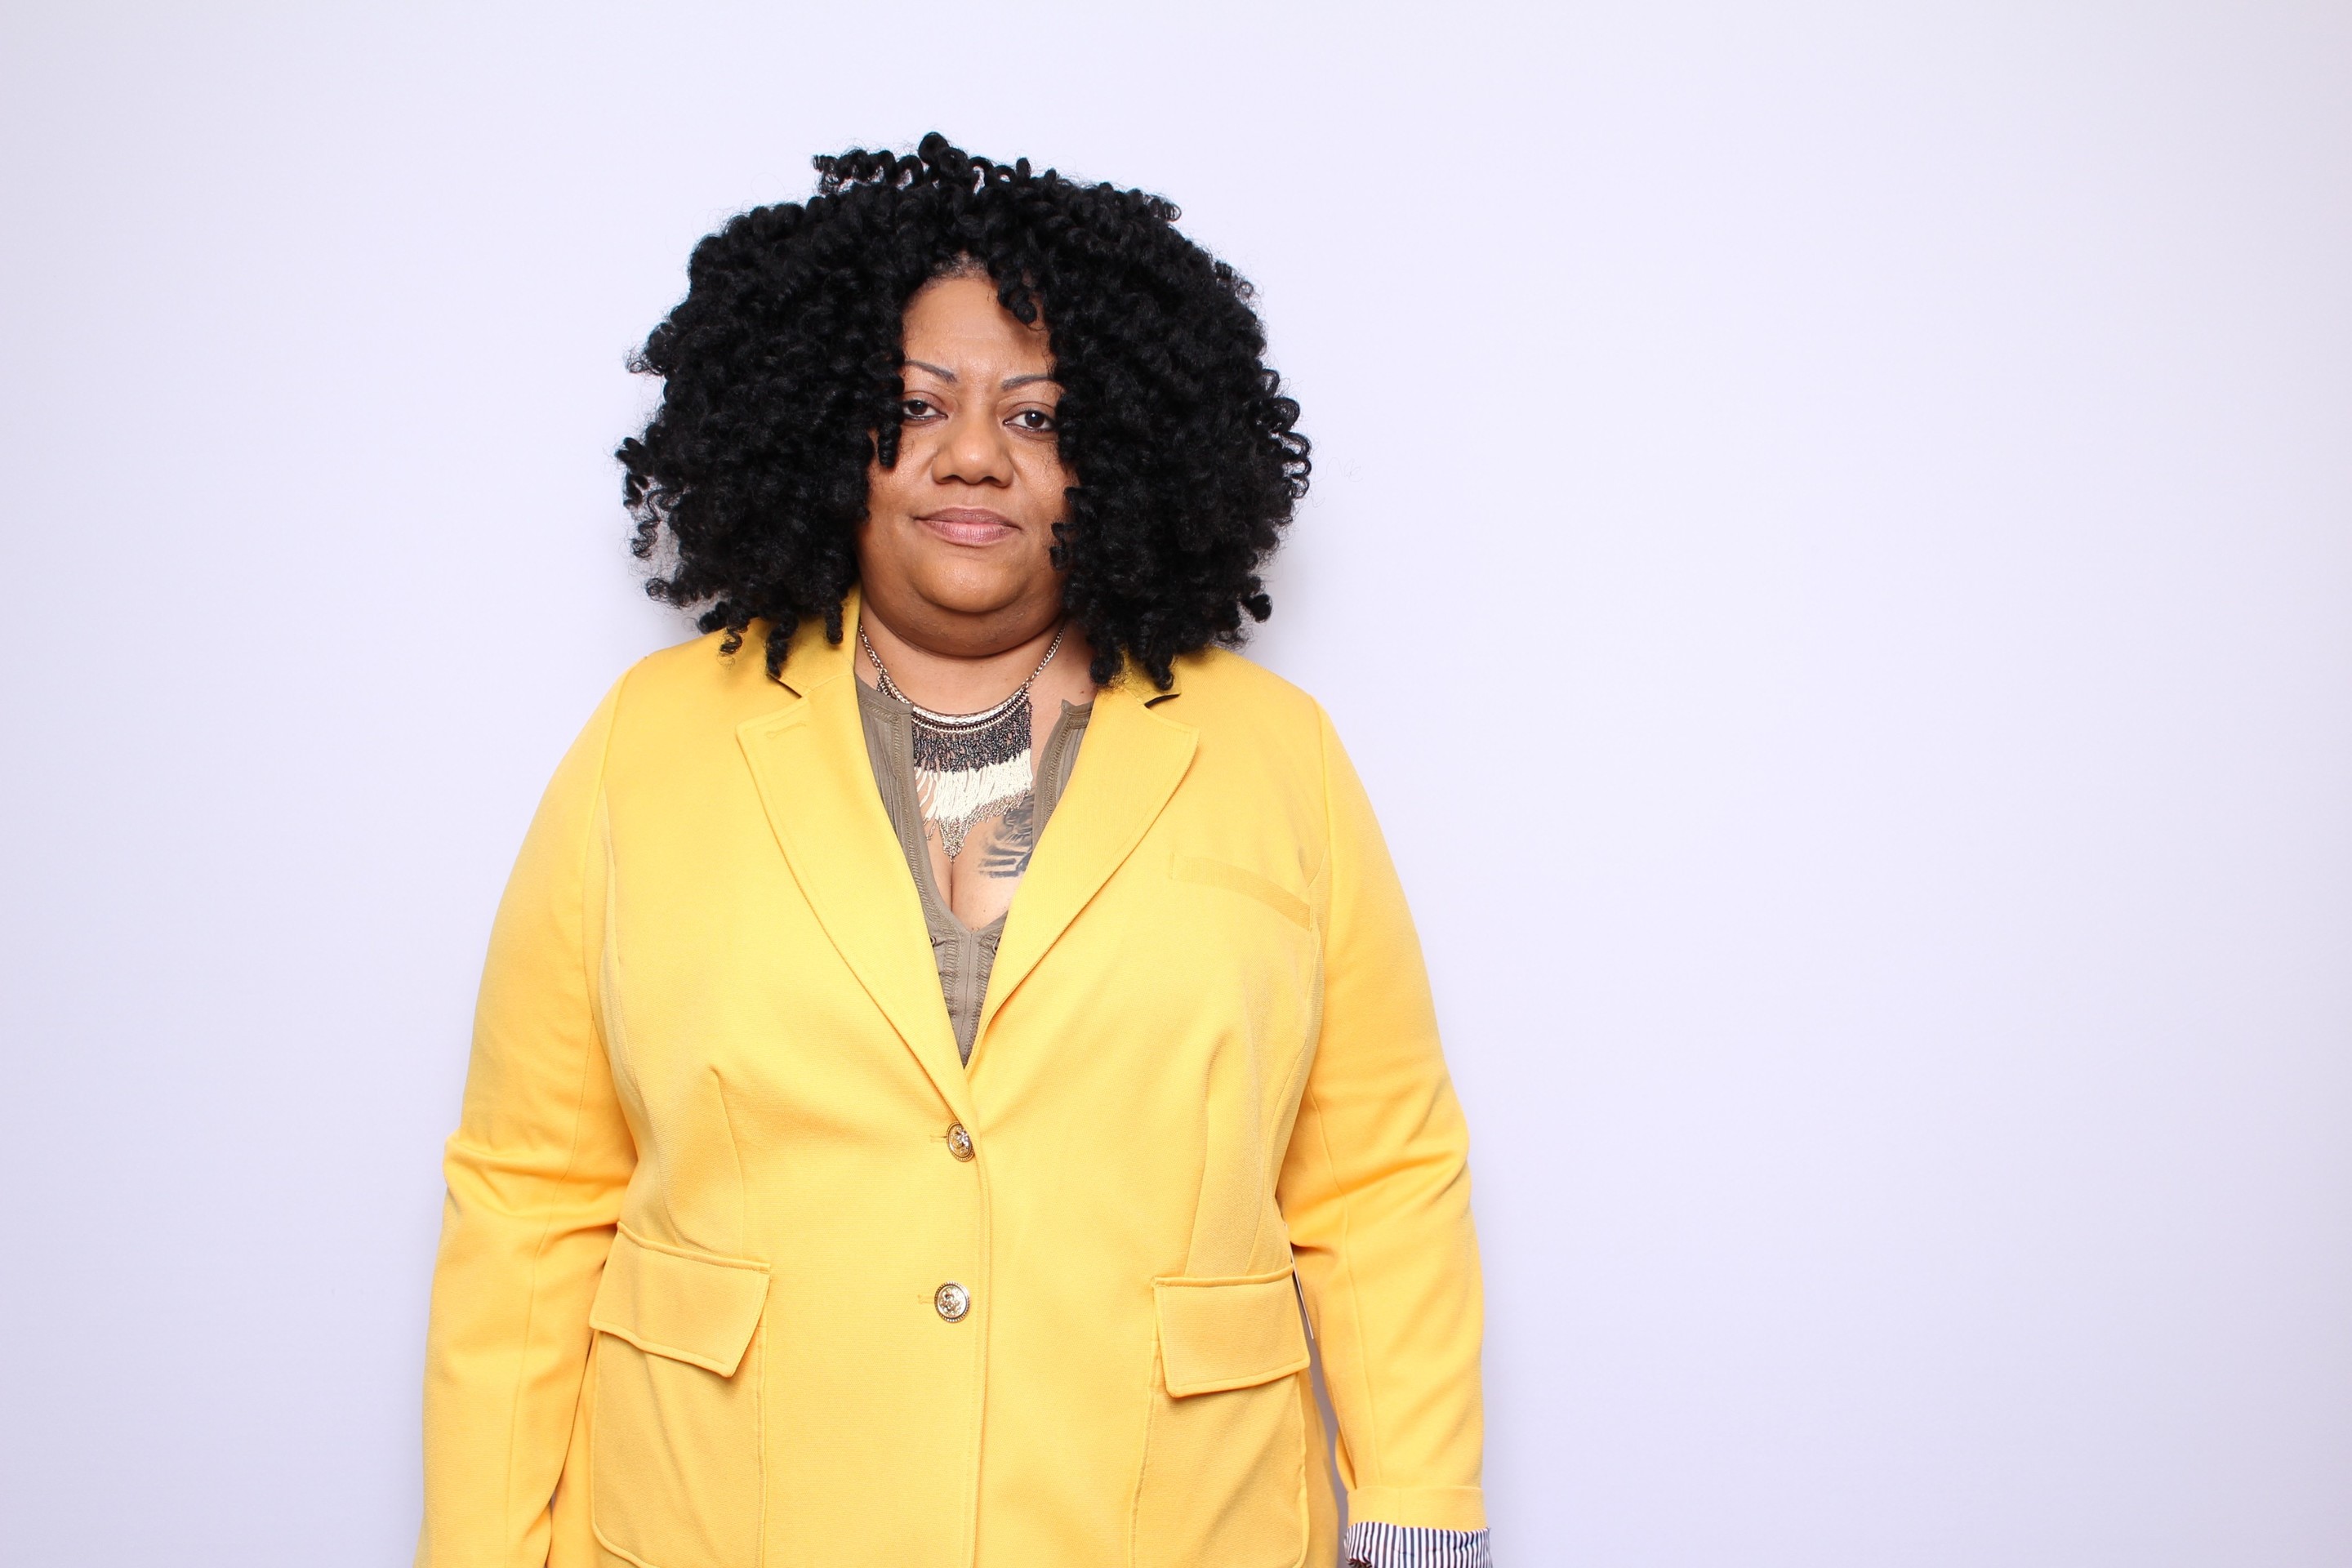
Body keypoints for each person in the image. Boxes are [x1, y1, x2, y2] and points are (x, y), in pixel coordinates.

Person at [416, 134, 1487, 1568]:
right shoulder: (647, 746)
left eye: (1037, 417)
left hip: (1167, 1523)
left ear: (1122, 455)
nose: (974, 452)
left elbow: (1382, 1178)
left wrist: (1420, 1532)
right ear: (815, 430)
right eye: (914, 405)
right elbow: (531, 1192)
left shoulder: (1274, 755)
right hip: (729, 1521)